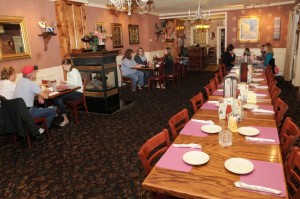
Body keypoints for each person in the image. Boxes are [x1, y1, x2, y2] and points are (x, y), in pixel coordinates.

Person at [13, 65, 56, 130]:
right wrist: (47, 90)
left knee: (39, 107)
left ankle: (38, 126)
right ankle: (42, 129)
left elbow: (33, 90)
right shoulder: (32, 84)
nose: (36, 73)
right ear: (31, 74)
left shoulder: (19, 81)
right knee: (52, 111)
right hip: (27, 113)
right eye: (35, 72)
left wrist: (39, 95)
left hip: (16, 112)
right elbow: (46, 97)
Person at [54, 59, 83, 127]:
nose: (64, 68)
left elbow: (76, 84)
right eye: (63, 67)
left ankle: (54, 110)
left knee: (58, 97)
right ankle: (65, 118)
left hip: (78, 92)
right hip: (73, 91)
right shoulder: (68, 72)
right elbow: (70, 85)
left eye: (65, 67)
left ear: (70, 65)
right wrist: (64, 85)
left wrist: (66, 82)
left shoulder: (74, 71)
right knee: (59, 99)